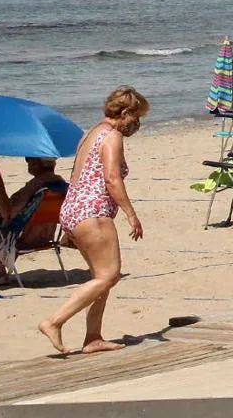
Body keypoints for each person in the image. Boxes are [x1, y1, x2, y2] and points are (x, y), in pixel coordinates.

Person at [39, 86, 148, 355]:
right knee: (109, 275)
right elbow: (112, 178)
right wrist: (131, 213)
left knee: (100, 277)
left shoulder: (91, 133)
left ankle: (93, 337)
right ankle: (54, 322)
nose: (138, 123)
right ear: (124, 112)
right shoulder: (111, 137)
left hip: (73, 209)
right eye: (136, 116)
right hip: (93, 211)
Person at [0, 158, 65, 280]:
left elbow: (7, 213)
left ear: (37, 163)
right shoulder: (61, 186)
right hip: (45, 236)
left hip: (20, 238)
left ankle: (0, 270)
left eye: (29, 158)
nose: (27, 161)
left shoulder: (36, 186)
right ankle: (0, 271)